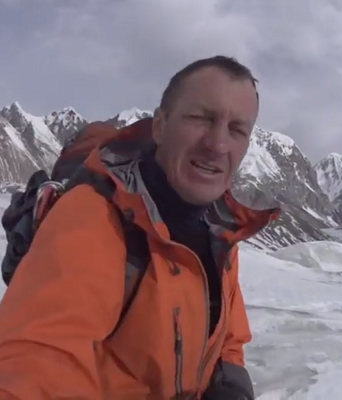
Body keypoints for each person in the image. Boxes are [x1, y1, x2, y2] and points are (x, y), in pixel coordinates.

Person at [0, 56, 279, 399]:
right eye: (201, 118)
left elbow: (229, 341)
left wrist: (230, 388)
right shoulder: (95, 219)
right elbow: (38, 364)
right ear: (159, 126)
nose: (217, 145)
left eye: (237, 130)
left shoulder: (220, 230)